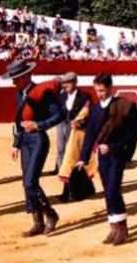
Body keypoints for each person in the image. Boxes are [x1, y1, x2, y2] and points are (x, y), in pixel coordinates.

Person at [77, 74, 137, 245]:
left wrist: (113, 147)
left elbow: (131, 135)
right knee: (107, 191)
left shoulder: (124, 106)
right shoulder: (96, 108)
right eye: (97, 91)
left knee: (113, 189)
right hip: (102, 156)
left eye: (103, 90)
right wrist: (83, 158)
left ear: (111, 88)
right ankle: (114, 227)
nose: (100, 94)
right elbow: (90, 134)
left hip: (117, 154)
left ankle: (122, 228)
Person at [5, 60, 63, 237]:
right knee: (27, 183)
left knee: (30, 181)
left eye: (15, 78)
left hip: (38, 139)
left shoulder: (43, 93)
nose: (13, 82)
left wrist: (39, 125)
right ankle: (37, 222)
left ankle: (50, 215)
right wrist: (16, 144)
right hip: (25, 141)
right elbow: (19, 123)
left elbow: (60, 115)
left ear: (25, 76)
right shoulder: (19, 94)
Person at [56, 72, 94, 202]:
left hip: (77, 131)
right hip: (62, 126)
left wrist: (81, 123)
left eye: (68, 82)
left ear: (75, 82)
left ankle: (70, 190)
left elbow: (89, 116)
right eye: (63, 83)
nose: (64, 85)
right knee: (61, 153)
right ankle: (70, 187)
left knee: (72, 157)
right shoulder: (61, 96)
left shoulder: (84, 97)